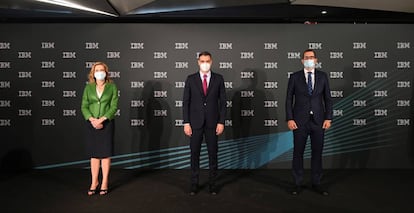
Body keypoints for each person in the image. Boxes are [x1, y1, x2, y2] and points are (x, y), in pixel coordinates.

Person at [285, 49, 333, 196]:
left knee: (317, 153)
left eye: (311, 57)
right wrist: (290, 118)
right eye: (306, 57)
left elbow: (328, 99)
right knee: (298, 153)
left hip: (318, 121)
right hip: (299, 121)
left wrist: (328, 118)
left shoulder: (323, 77)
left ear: (316, 60)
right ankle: (297, 183)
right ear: (302, 60)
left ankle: (316, 183)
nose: (309, 59)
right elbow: (288, 99)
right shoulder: (294, 77)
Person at [183, 51, 227, 195]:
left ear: (211, 61)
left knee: (213, 154)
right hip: (195, 123)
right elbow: (186, 102)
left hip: (213, 123)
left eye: (207, 61)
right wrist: (186, 122)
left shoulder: (219, 79)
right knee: (194, 154)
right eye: (202, 61)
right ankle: (194, 184)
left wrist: (221, 122)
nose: (205, 64)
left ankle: (213, 185)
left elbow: (223, 103)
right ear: (198, 62)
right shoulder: (190, 79)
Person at [81, 62, 119, 196]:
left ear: (106, 72)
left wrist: (102, 119)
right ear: (93, 73)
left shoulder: (112, 87)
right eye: (97, 70)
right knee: (94, 154)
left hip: (107, 124)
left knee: (105, 154)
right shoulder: (88, 88)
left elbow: (113, 107)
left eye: (102, 70)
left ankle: (104, 182)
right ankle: (94, 182)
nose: (99, 72)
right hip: (91, 124)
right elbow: (84, 106)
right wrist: (92, 120)